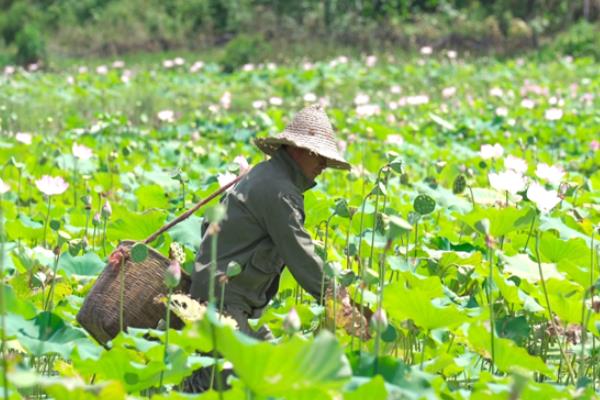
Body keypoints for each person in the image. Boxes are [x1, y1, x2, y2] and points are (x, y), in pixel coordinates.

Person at [183, 104, 351, 392]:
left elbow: (205, 227)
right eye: (319, 157)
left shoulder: (262, 174)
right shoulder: (279, 191)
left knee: (272, 374)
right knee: (222, 384)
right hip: (224, 302)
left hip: (221, 296)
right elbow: (299, 251)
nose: (323, 165)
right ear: (298, 150)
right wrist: (334, 295)